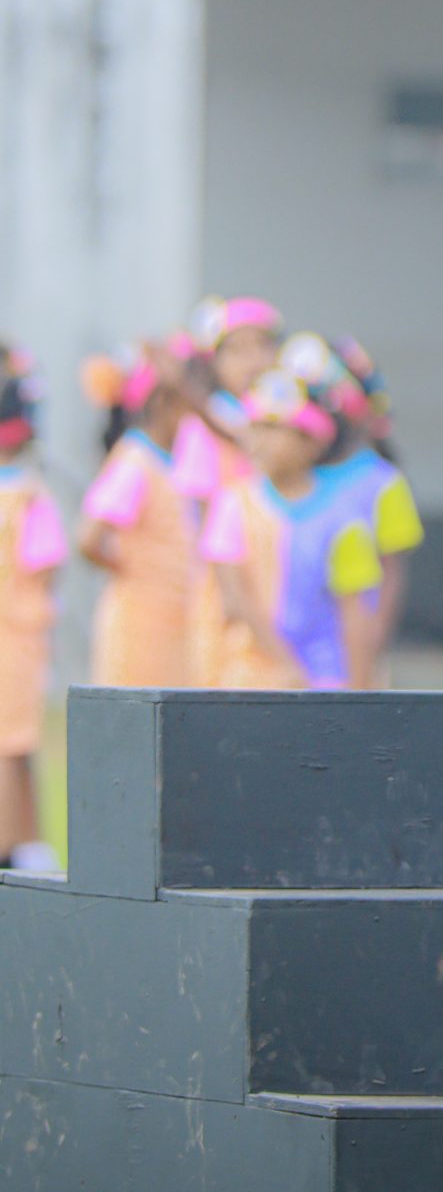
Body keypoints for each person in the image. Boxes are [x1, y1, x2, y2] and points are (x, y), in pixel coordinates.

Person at [198, 370, 381, 690]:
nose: (259, 440)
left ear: (311, 441)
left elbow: (354, 610)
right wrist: (288, 669)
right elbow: (235, 599)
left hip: (326, 679)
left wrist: (360, 690)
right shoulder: (233, 505)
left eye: (273, 429)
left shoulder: (343, 519)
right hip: (250, 676)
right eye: (255, 428)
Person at [282, 333, 424, 674]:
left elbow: (391, 570)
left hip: (349, 655)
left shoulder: (382, 482)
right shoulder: (290, 476)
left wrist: (373, 640)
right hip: (284, 656)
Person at [173, 296, 283, 685]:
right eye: (237, 350)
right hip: (225, 581)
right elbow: (201, 518)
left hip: (282, 571)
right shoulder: (203, 429)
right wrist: (226, 591)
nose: (253, 360)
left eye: (263, 346)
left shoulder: (287, 422)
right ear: (214, 362)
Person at [78, 346, 197, 687]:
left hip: (175, 617)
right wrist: (133, 568)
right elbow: (88, 538)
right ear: (162, 403)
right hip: (140, 619)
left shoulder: (176, 460)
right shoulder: (136, 461)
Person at [0, 349, 67, 873]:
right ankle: (22, 846)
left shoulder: (22, 493)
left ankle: (18, 846)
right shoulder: (27, 494)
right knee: (14, 746)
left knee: (11, 744)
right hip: (18, 634)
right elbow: (48, 565)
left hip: (15, 636)